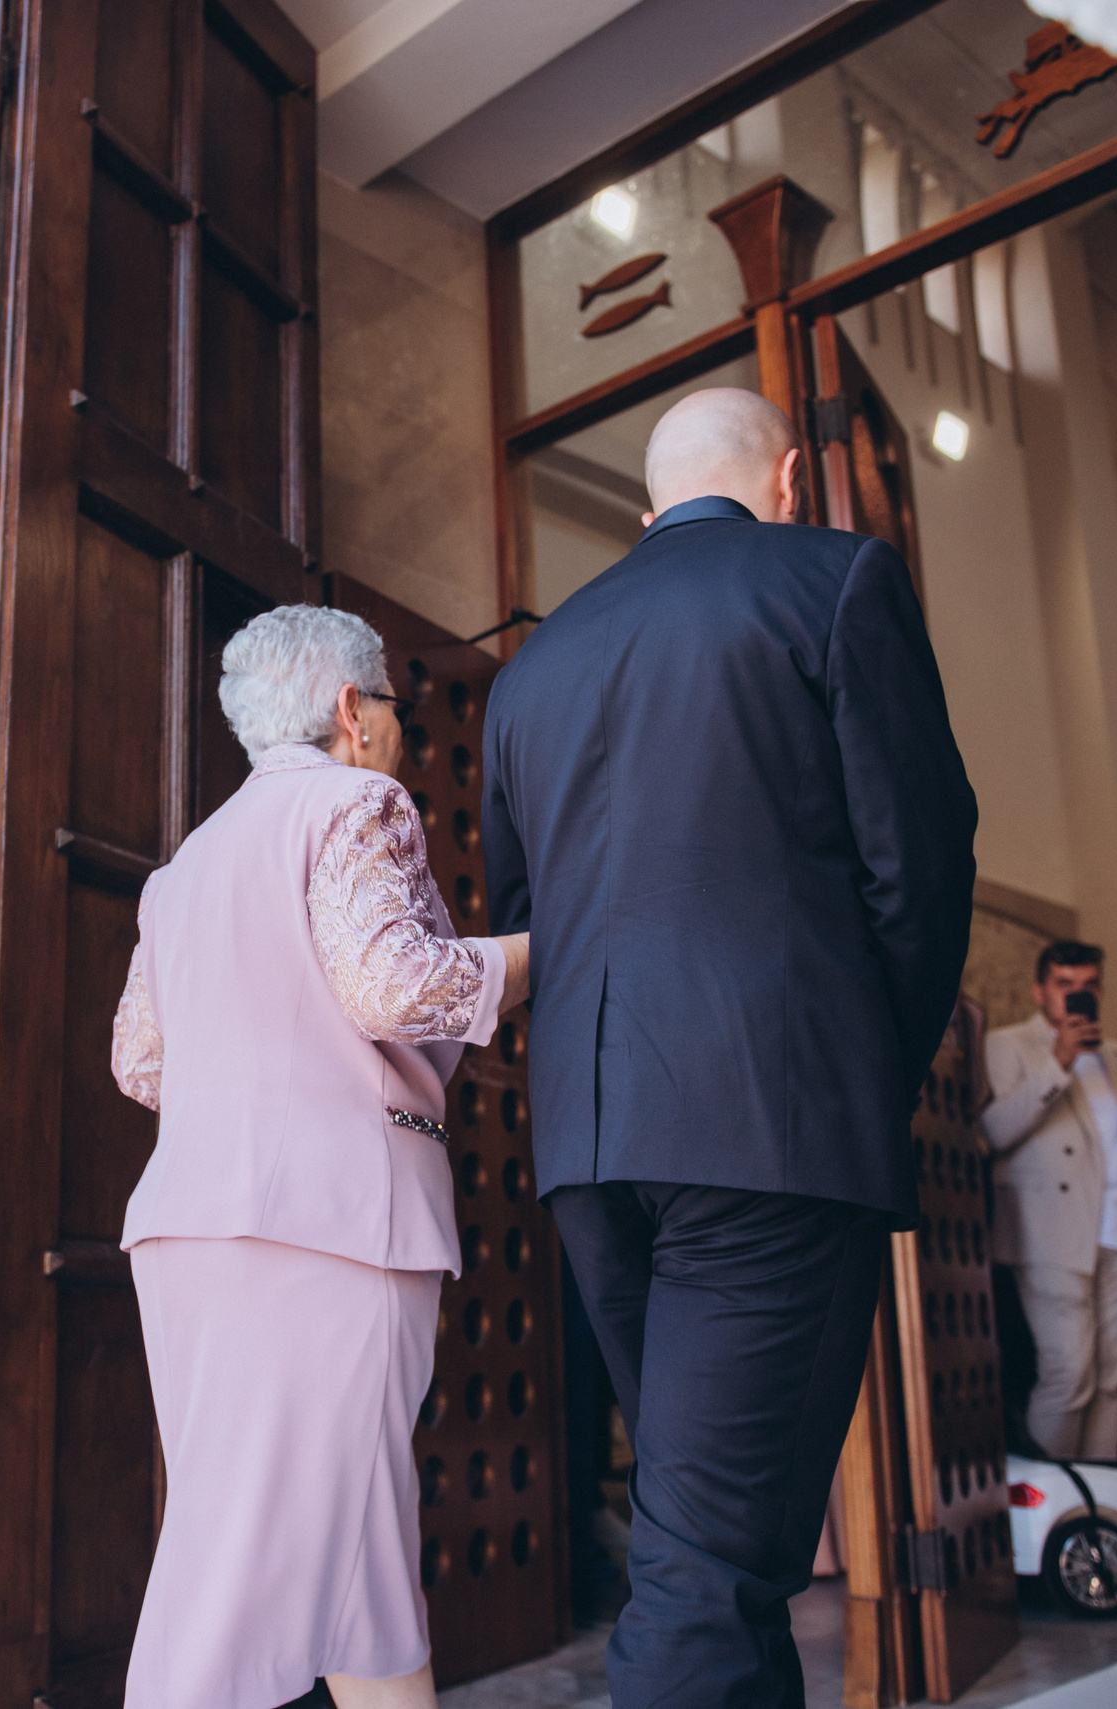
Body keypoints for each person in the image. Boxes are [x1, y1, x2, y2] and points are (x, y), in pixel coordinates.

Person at [482, 387, 977, 1707]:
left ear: (649, 514)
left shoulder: (534, 666)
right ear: (793, 477)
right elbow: (916, 870)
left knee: (728, 1553)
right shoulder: (837, 578)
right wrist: (866, 1064)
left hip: (594, 1151)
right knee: (706, 1572)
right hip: (769, 1126)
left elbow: (525, 918)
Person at [109, 606, 532, 1709]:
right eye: (391, 697)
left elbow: (141, 1061)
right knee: (237, 1564)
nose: (395, 720)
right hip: (325, 1222)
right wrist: (548, 949)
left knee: (356, 1556)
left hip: (194, 1227)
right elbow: (393, 985)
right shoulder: (358, 798)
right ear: (351, 709)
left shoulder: (184, 867)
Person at [981, 941, 1117, 1460]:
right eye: (1064, 985)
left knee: (1110, 1381)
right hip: (1050, 1230)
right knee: (1068, 1373)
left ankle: (1100, 1505)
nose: (1077, 995)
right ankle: (1052, 1505)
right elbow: (995, 1131)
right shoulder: (1008, 1045)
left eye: (1088, 985)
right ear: (1039, 991)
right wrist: (1060, 1061)